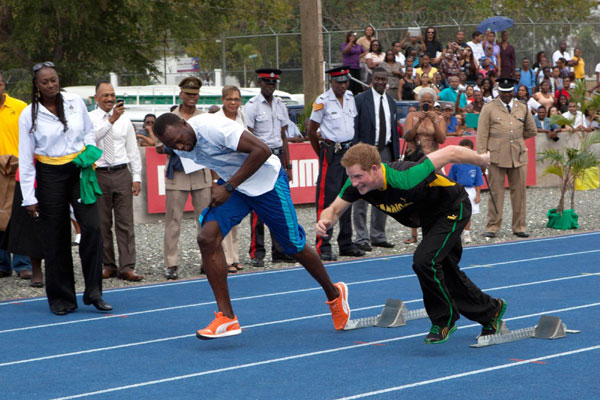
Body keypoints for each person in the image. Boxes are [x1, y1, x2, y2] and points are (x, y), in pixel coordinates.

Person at [151, 112, 351, 339]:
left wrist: (228, 187)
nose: (180, 146)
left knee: (292, 246)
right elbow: (214, 160)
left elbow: (263, 151)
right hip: (236, 187)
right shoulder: (179, 146)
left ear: (185, 124)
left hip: (267, 182)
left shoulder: (214, 127)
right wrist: (224, 185)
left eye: (179, 139)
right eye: (173, 145)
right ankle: (226, 318)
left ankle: (334, 294)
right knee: (207, 237)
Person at [317, 142, 506, 344]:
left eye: (358, 177)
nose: (354, 183)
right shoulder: (356, 184)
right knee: (444, 270)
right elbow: (335, 209)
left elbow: (451, 152)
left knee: (424, 261)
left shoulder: (405, 176)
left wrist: (482, 160)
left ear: (374, 169)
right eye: (350, 177)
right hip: (430, 218)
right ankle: (490, 311)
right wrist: (326, 220)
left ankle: (444, 319)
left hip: (452, 207)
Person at [19, 61, 110, 315]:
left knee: (92, 227)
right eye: (45, 82)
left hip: (79, 170)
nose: (51, 85)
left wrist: (90, 151)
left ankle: (94, 292)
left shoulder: (75, 102)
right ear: (36, 85)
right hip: (50, 174)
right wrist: (29, 197)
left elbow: (88, 133)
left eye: (54, 80)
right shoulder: (29, 114)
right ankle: (62, 298)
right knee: (56, 236)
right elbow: (26, 159)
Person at [156, 76, 212, 280]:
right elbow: (158, 146)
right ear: (180, 94)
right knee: (173, 221)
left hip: (199, 172)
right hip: (177, 173)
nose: (192, 98)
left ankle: (208, 260)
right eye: (188, 94)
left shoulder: (204, 117)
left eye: (195, 94)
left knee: (205, 220)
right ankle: (171, 263)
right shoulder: (170, 117)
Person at [307, 66, 365, 261]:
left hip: (349, 151)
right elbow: (312, 130)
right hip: (331, 152)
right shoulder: (322, 101)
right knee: (326, 199)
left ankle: (346, 243)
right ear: (331, 82)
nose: (343, 85)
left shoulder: (350, 97)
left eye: (345, 82)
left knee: (348, 196)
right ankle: (323, 244)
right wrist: (322, 153)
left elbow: (353, 125)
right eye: (339, 82)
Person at [89, 81, 144, 282]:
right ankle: (107, 265)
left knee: (125, 223)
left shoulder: (126, 120)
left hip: (121, 172)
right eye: (105, 95)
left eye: (112, 95)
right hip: (99, 173)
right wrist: (111, 120)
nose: (110, 99)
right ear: (96, 98)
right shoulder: (90, 119)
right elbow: (91, 140)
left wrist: (136, 176)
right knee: (102, 223)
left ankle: (127, 266)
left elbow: (132, 150)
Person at [243, 68, 294, 266]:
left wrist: (288, 165)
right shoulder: (252, 106)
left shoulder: (280, 104)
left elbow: (284, 136)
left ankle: (280, 250)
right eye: (267, 83)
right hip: (260, 159)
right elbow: (247, 136)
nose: (270, 86)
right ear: (260, 83)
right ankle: (258, 252)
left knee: (280, 204)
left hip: (278, 156)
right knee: (259, 206)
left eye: (273, 84)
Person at [477, 77, 537, 238]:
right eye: (503, 92)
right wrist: (482, 157)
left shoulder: (522, 107)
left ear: (513, 91)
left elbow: (531, 130)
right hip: (496, 156)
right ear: (499, 92)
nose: (506, 95)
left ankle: (519, 226)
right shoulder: (489, 108)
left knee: (519, 193)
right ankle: (492, 226)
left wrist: (516, 138)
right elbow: (482, 134)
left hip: (518, 155)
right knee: (496, 193)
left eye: (509, 92)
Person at [352, 67, 399, 251]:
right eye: (377, 78)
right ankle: (362, 237)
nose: (380, 82)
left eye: (383, 79)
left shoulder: (391, 102)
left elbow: (394, 130)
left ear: (387, 81)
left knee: (383, 193)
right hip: (365, 151)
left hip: (385, 151)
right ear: (371, 79)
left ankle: (378, 235)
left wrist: (394, 157)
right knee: (362, 194)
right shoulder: (361, 100)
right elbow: (355, 128)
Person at [402, 88, 447, 244]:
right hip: (416, 160)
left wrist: (434, 121)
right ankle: (414, 233)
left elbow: (442, 139)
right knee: (414, 197)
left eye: (429, 101)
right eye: (423, 101)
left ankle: (432, 231)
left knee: (434, 197)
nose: (426, 104)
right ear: (419, 102)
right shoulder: (412, 116)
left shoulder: (439, 118)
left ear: (434, 103)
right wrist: (418, 122)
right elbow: (407, 137)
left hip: (433, 160)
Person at [0, 70, 32, 280]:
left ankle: (23, 264)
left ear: (3, 84)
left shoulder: (20, 107)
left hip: (20, 170)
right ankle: (2, 264)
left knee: (21, 218)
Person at [216, 85, 246, 274]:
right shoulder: (217, 120)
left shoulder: (242, 117)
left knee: (236, 218)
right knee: (224, 216)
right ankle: (226, 259)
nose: (233, 103)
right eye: (229, 99)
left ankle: (235, 257)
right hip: (222, 171)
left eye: (236, 99)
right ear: (223, 100)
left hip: (239, 172)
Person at [448, 138, 483, 243]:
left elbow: (477, 183)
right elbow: (450, 181)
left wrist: (478, 196)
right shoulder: (455, 165)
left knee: (468, 215)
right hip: (458, 191)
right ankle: (455, 235)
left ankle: (467, 234)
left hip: (470, 191)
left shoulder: (475, 166)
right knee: (457, 214)